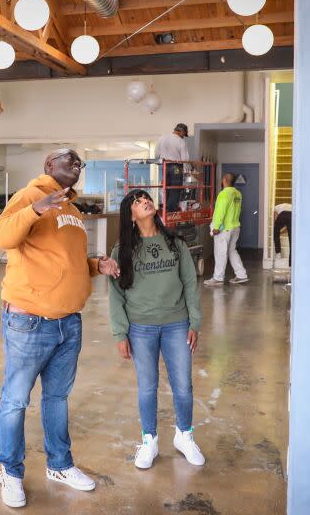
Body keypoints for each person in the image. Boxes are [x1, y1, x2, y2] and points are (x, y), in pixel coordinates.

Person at [0, 148, 121, 508]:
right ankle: (11, 472)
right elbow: (1, 236)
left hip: (68, 323)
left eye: (80, 163)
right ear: (50, 165)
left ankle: (59, 466)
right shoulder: (30, 195)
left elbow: (70, 261)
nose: (77, 167)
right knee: (16, 400)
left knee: (57, 399)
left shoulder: (73, 210)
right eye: (70, 160)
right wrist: (36, 208)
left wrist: (98, 265)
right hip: (29, 321)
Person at [110, 189, 205, 470]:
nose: (145, 202)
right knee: (147, 387)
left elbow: (190, 282)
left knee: (183, 387)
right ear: (130, 215)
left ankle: (184, 436)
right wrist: (120, 333)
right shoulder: (121, 251)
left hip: (177, 324)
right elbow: (116, 295)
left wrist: (194, 322)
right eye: (138, 202)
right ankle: (149, 440)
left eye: (146, 199)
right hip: (141, 328)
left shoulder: (175, 242)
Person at [204, 173, 248, 286]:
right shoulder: (237, 193)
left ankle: (218, 278)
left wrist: (216, 227)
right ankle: (241, 275)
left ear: (224, 180)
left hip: (224, 229)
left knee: (220, 253)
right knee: (232, 251)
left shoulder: (224, 194)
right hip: (235, 227)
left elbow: (220, 211)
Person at [155, 123, 190, 213]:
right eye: (184, 134)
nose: (183, 136)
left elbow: (156, 153)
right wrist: (187, 171)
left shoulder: (162, 137)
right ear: (181, 131)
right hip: (176, 166)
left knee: (166, 186)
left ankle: (165, 207)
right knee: (175, 188)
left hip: (165, 165)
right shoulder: (181, 141)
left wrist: (160, 162)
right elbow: (185, 159)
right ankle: (172, 210)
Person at [273, 202, 292, 266]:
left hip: (283, 213)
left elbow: (275, 218)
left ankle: (278, 253)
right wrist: (283, 229)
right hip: (292, 215)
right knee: (291, 240)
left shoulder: (276, 207)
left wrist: (278, 230)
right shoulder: (291, 205)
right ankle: (291, 263)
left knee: (275, 232)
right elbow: (287, 225)